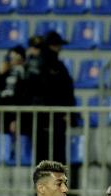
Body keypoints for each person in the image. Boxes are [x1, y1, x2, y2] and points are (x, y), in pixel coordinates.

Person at [22, 30, 76, 164]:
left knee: (45, 155)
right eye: (57, 45)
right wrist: (69, 112)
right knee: (54, 155)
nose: (59, 49)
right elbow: (66, 90)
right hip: (50, 115)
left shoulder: (35, 64)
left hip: (43, 115)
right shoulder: (53, 65)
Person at [0, 44, 26, 138]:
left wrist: (16, 118)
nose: (12, 60)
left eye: (14, 57)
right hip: (2, 112)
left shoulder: (23, 72)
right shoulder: (5, 71)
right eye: (10, 57)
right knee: (0, 139)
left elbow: (22, 96)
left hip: (16, 112)